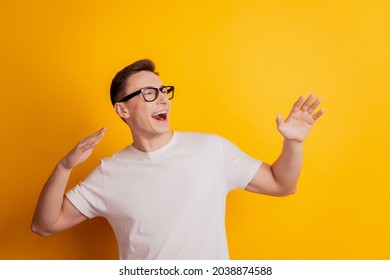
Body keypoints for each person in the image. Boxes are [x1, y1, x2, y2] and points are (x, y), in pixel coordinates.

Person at [31, 59, 324, 259]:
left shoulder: (212, 149)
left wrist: (293, 142)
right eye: (148, 93)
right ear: (123, 110)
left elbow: (282, 184)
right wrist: (64, 166)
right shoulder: (110, 173)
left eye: (163, 91)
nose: (162, 99)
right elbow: (44, 225)